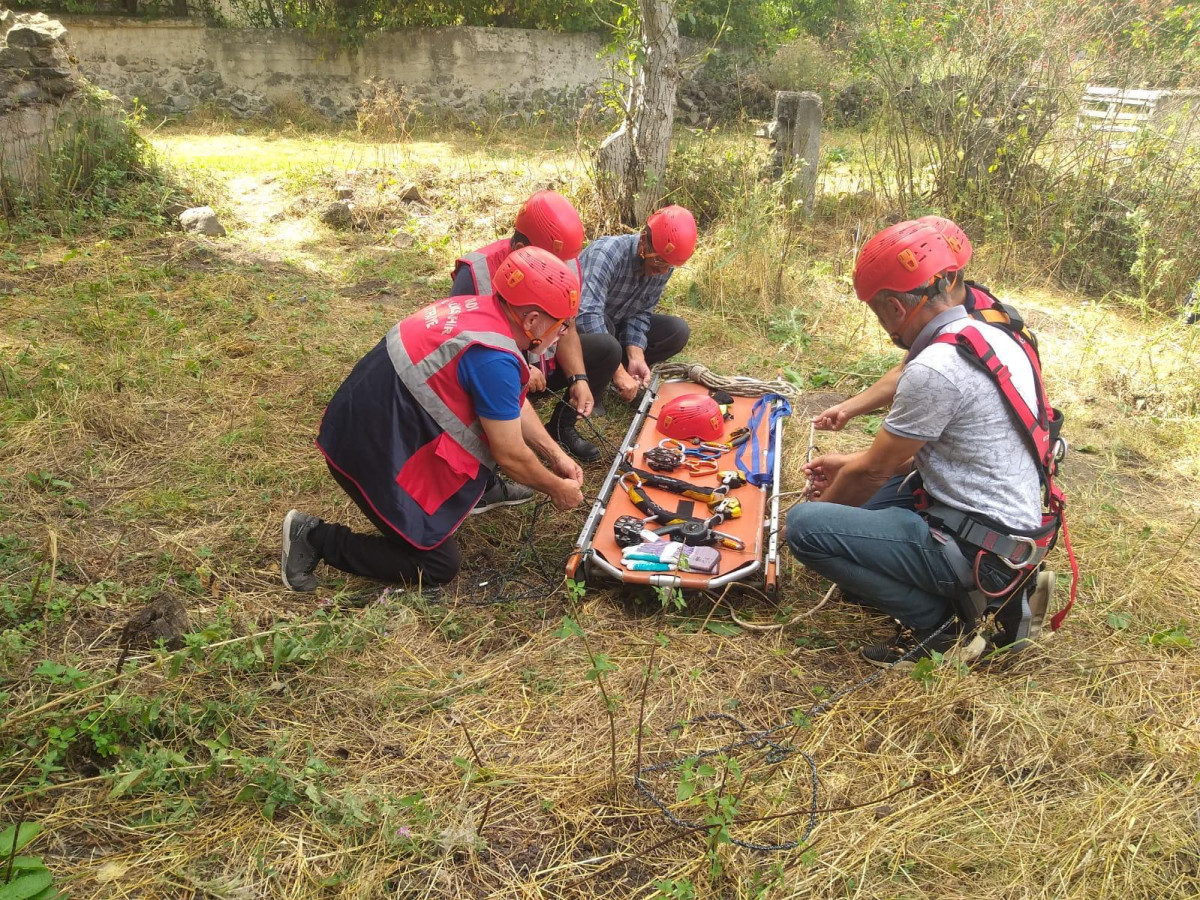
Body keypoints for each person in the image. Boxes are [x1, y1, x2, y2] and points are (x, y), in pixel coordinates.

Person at [786, 222, 1059, 667]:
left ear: (895, 308)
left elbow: (872, 472)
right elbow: (928, 455)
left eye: (880, 316)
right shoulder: (991, 334)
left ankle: (941, 630)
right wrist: (852, 470)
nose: (885, 329)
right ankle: (986, 593)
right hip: (1001, 525)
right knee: (853, 514)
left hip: (976, 542)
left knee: (807, 527)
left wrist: (806, 528)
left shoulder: (937, 368)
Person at [281, 246, 586, 592]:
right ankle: (315, 538)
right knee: (437, 564)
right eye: (561, 325)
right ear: (532, 320)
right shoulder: (494, 359)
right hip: (363, 449)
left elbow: (511, 404)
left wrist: (556, 455)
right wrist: (555, 488)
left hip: (358, 424)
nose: (562, 334)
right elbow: (510, 454)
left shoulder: (480, 311)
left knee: (442, 519)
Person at [813, 215, 1038, 432]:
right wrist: (847, 409)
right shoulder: (965, 305)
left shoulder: (973, 334)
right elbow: (905, 370)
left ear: (947, 277)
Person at [450, 190, 601, 462]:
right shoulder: (476, 272)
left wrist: (578, 378)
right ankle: (489, 461)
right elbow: (459, 347)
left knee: (605, 349)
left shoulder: (566, 264)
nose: (560, 268)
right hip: (498, 371)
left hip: (543, 364)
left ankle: (561, 428)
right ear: (521, 250)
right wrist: (520, 366)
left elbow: (567, 328)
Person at [574, 205, 697, 418]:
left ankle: (629, 378)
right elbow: (586, 315)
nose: (662, 271)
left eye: (669, 266)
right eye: (658, 261)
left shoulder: (662, 266)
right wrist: (617, 371)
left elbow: (641, 311)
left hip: (615, 326)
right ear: (643, 240)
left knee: (677, 330)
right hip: (581, 332)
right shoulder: (606, 254)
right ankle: (597, 385)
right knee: (604, 326)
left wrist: (636, 354)